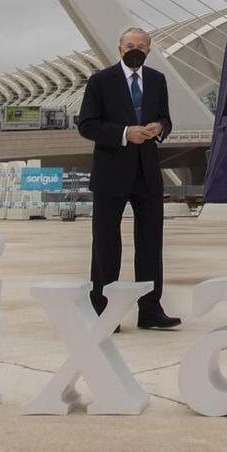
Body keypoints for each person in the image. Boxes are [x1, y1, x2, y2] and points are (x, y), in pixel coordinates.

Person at [76, 27, 180, 330]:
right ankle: (104, 310)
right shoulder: (100, 81)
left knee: (150, 244)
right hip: (111, 172)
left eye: (141, 46)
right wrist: (124, 133)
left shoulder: (158, 80)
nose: (135, 49)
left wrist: (159, 128)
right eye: (129, 45)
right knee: (106, 243)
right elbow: (87, 125)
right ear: (120, 48)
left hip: (147, 172)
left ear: (149, 50)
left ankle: (150, 309)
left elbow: (166, 118)